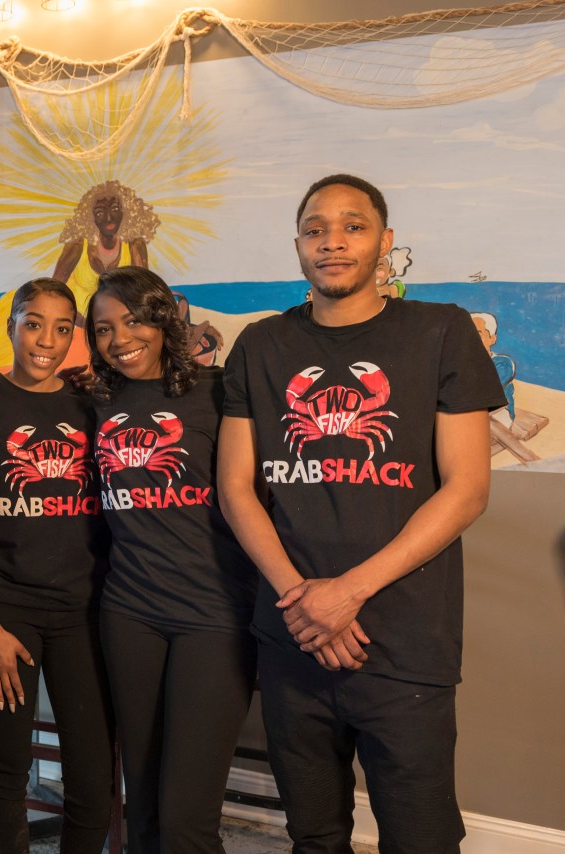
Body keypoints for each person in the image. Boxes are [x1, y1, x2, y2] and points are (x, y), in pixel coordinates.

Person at [218, 174, 505, 853]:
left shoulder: (442, 331)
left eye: (352, 226)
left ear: (385, 242)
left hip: (404, 643)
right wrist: (302, 601)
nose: (333, 241)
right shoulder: (260, 346)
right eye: (315, 229)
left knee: (421, 836)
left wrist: (345, 595)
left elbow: (466, 489)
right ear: (297, 246)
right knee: (314, 835)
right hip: (293, 636)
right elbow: (236, 489)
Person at [86, 266, 257, 852]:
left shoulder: (217, 394)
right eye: (104, 328)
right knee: (146, 808)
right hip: (128, 613)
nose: (120, 338)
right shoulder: (95, 400)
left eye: (133, 320)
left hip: (214, 618)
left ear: (164, 320)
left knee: (188, 818)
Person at [0, 278, 114, 853]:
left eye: (63, 327)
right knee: (8, 767)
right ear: (11, 325)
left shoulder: (91, 404)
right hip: (4, 611)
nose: (47, 339)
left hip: (83, 612)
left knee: (93, 775)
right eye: (34, 323)